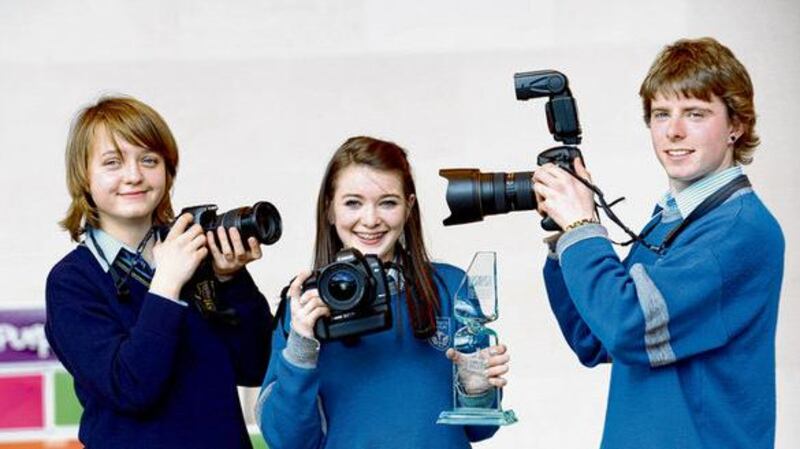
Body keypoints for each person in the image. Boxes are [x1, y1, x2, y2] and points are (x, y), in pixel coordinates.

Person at [532, 37, 784, 449]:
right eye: (661, 113)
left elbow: (628, 328)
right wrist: (566, 235)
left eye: (695, 113)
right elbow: (594, 338)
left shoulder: (739, 229)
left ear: (736, 125)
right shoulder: (671, 220)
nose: (674, 131)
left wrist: (582, 225)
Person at [45, 95, 273, 449]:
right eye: (112, 162)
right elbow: (131, 388)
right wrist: (166, 283)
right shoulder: (72, 282)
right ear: (83, 177)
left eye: (149, 160)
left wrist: (231, 281)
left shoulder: (195, 249)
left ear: (168, 172)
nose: (134, 175)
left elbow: (256, 365)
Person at [256, 136, 510, 449]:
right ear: (330, 210)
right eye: (352, 203)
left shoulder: (451, 285)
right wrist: (301, 345)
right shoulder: (303, 303)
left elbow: (479, 429)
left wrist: (475, 389)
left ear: (409, 208)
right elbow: (287, 442)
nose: (371, 219)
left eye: (388, 202)